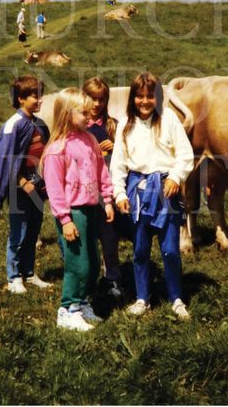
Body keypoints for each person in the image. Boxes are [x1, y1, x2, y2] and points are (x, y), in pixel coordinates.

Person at [110, 72, 195, 320]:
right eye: (140, 96)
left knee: (169, 249)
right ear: (132, 98)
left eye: (150, 96)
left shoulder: (168, 119)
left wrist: (176, 177)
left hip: (166, 191)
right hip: (138, 192)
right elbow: (118, 164)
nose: (145, 101)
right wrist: (119, 193)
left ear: (157, 97)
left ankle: (176, 298)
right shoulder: (125, 124)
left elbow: (185, 155)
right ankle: (142, 298)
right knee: (140, 249)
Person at [43, 88, 115, 331]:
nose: (89, 116)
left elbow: (101, 171)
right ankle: (67, 309)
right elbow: (54, 189)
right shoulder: (57, 149)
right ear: (66, 114)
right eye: (83, 113)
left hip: (91, 209)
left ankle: (82, 302)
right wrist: (65, 220)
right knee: (78, 264)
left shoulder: (89, 140)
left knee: (93, 263)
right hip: (72, 213)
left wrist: (106, 200)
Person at [0, 75, 52, 294]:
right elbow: (4, 158)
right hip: (19, 187)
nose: (39, 100)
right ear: (21, 98)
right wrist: (21, 181)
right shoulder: (13, 125)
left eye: (39, 95)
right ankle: (13, 277)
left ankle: (29, 272)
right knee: (19, 231)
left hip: (37, 185)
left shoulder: (39, 124)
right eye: (34, 96)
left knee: (34, 228)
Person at [82, 77, 125, 298]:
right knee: (86, 239)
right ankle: (86, 280)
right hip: (83, 192)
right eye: (93, 99)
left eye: (102, 99)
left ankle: (112, 278)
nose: (97, 104)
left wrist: (116, 146)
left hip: (106, 192)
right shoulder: (78, 126)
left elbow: (126, 155)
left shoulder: (112, 125)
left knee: (109, 238)